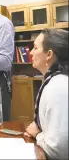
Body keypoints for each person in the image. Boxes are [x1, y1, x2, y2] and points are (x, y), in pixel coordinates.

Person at [24, 28, 68, 159]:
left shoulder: (59, 87)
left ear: (49, 55)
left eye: (35, 48)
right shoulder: (56, 82)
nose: (31, 53)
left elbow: (59, 150)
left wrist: (37, 134)